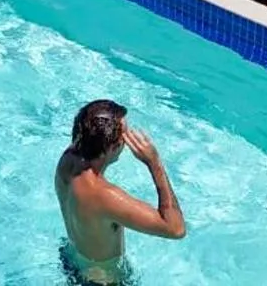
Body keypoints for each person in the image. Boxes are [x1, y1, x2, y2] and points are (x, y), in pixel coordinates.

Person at [54, 99, 186, 283]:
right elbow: (176, 229)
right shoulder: (105, 196)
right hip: (102, 281)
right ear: (114, 147)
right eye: (125, 136)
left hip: (71, 260)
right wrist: (154, 163)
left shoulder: (66, 162)